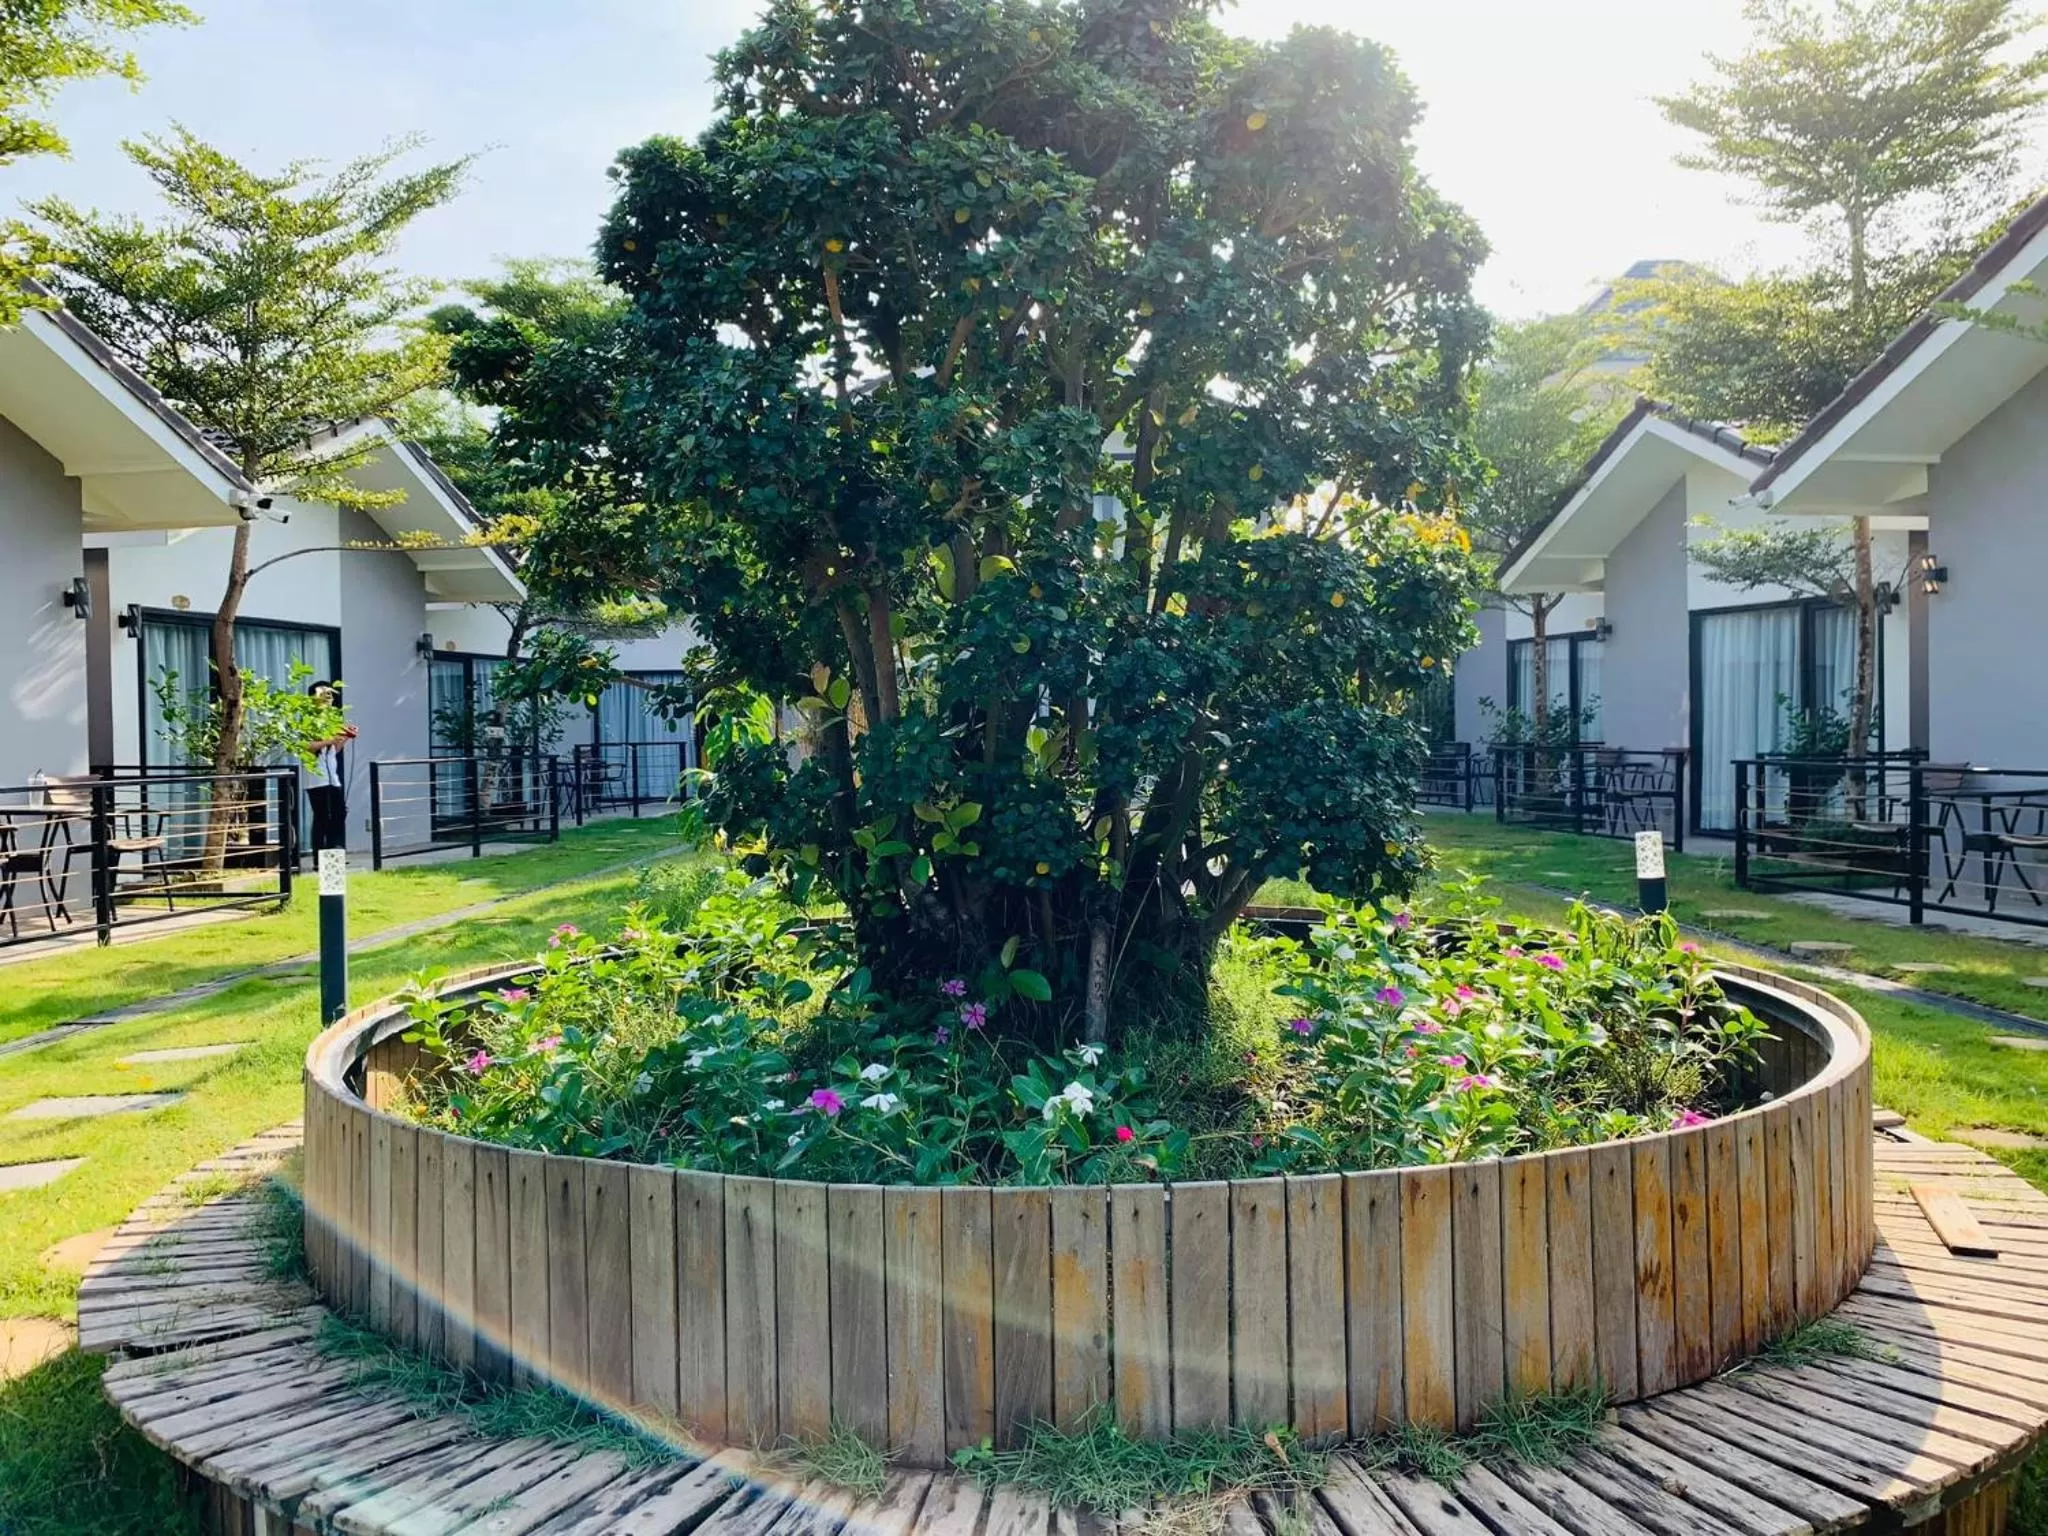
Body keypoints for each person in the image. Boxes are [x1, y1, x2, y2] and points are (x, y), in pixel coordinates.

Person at [305, 680, 358, 852]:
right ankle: (319, 857)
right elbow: (306, 746)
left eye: (330, 695)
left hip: (332, 777)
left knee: (339, 814)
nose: (329, 698)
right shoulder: (308, 719)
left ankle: (335, 852)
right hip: (317, 778)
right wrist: (329, 739)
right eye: (324, 694)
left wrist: (345, 738)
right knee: (322, 817)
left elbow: (335, 749)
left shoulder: (331, 720)